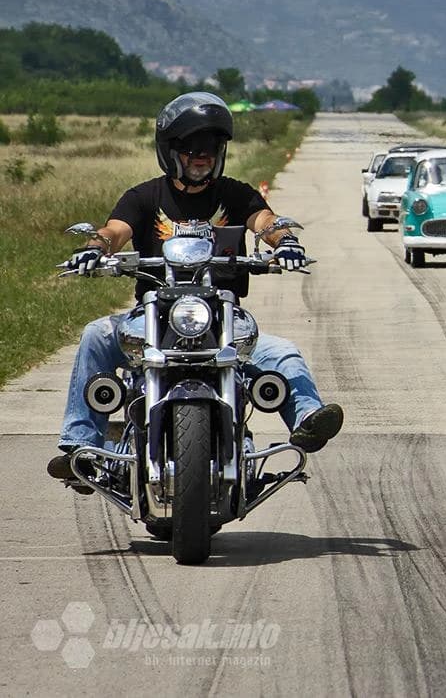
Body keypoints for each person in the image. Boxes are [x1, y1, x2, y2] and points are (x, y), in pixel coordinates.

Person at [47, 92, 343, 490]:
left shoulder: (236, 195)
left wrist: (285, 242)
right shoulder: (144, 196)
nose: (202, 156)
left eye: (211, 148)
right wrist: (95, 249)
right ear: (171, 151)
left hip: (222, 316)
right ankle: (80, 449)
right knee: (95, 335)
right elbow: (115, 231)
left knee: (283, 351)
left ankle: (307, 419)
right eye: (192, 148)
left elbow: (265, 222)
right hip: (153, 312)